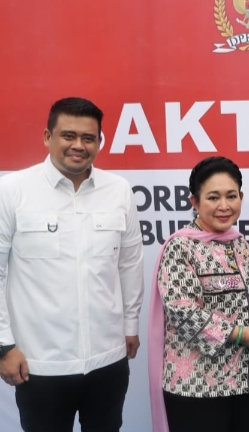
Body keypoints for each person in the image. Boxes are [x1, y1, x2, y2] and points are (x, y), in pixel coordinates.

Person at [0, 97, 144, 432]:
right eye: (68, 135)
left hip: (108, 360)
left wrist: (130, 325)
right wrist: (4, 346)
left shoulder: (119, 190)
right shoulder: (12, 190)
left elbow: (130, 262)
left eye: (88, 138)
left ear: (99, 142)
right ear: (47, 137)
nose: (78, 145)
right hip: (39, 365)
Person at [148, 156, 249, 432]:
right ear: (194, 202)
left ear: (241, 197)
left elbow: (243, 300)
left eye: (231, 196)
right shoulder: (181, 247)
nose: (224, 206)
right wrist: (244, 335)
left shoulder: (239, 243)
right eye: (213, 197)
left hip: (245, 382)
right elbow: (183, 311)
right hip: (199, 387)